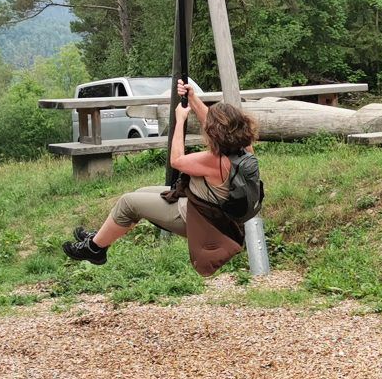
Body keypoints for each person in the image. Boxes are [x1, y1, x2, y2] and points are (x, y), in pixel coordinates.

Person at [62, 81, 257, 272]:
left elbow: (177, 160)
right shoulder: (244, 149)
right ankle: (102, 237)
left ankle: (95, 249)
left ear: (216, 133)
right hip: (211, 210)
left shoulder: (214, 161)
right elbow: (214, 124)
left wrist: (180, 120)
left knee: (128, 202)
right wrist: (192, 97)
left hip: (198, 219)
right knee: (141, 192)